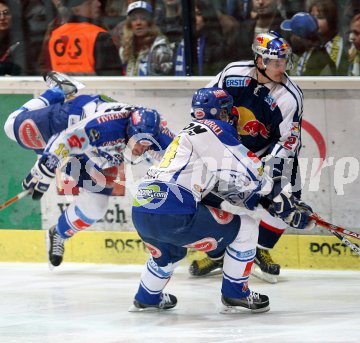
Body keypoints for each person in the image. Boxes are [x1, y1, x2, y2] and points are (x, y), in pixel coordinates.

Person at [129, 86, 314, 313]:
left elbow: (222, 188)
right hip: (173, 210)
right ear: (218, 112)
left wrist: (264, 200)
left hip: (142, 209)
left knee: (169, 253)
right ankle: (235, 292)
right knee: (245, 227)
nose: (232, 115)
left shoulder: (187, 134)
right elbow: (249, 170)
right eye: (227, 110)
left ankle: (147, 296)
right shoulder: (213, 128)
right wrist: (280, 198)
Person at [3, 71, 174, 268]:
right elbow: (66, 141)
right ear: (129, 131)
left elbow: (183, 163)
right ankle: (57, 91)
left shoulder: (162, 140)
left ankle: (57, 232)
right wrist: (45, 167)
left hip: (90, 154)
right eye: (136, 143)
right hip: (71, 119)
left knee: (95, 207)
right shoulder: (107, 127)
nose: (139, 150)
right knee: (13, 128)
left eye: (145, 146)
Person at [189, 31, 315, 283]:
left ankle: (261, 250)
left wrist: (266, 172)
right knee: (198, 194)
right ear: (259, 60)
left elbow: (288, 141)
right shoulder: (233, 72)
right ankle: (217, 254)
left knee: (287, 196)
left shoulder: (290, 96)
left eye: (284, 61)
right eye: (275, 62)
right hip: (228, 149)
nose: (282, 68)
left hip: (266, 152)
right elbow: (203, 106)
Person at [45, 0, 122, 75]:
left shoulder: (55, 35)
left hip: (62, 87)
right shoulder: (99, 35)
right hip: (93, 87)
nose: (98, 4)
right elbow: (112, 78)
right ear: (76, 9)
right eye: (89, 3)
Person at [119, 1, 174, 76]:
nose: (138, 23)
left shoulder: (160, 49)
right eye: (134, 19)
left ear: (150, 23)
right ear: (129, 25)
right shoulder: (124, 50)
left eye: (143, 18)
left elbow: (168, 81)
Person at [282, 11, 337, 76]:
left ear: (299, 37)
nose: (291, 38)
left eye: (292, 34)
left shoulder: (318, 61)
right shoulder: (304, 54)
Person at [308, 0, 348, 75]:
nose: (314, 21)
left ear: (331, 20)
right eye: (312, 17)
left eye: (320, 17)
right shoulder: (307, 43)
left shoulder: (344, 46)